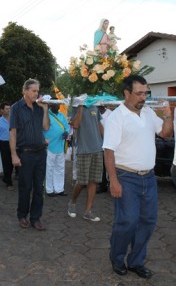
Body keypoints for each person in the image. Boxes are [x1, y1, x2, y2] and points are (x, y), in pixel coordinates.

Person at [103, 75, 173, 278]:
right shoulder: (117, 118)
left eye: (146, 93)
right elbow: (109, 151)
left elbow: (166, 134)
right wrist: (113, 180)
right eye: (139, 93)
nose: (144, 97)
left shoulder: (149, 113)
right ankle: (117, 257)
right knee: (127, 221)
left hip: (149, 178)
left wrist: (168, 115)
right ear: (127, 93)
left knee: (148, 221)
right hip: (126, 177)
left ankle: (135, 261)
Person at [10, 79, 50, 231]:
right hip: (25, 154)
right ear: (25, 91)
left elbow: (46, 127)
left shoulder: (40, 108)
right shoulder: (16, 108)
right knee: (26, 187)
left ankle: (36, 218)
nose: (36, 94)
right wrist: (14, 155)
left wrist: (45, 109)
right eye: (33, 91)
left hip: (41, 153)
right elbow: (12, 133)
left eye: (37, 91)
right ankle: (22, 215)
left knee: (39, 188)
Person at [67, 104, 103, 222]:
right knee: (82, 181)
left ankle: (88, 211)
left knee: (93, 181)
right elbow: (76, 125)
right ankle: (72, 202)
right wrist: (81, 107)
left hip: (97, 149)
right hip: (83, 150)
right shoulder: (75, 108)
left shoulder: (95, 107)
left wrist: (106, 140)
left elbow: (99, 124)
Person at [44, 98, 70, 197]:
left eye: (58, 104)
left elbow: (67, 127)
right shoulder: (47, 115)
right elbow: (43, 128)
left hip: (60, 145)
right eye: (55, 105)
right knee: (49, 168)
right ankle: (49, 190)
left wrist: (66, 133)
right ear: (50, 105)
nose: (57, 106)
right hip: (49, 146)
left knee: (60, 168)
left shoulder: (61, 115)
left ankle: (59, 189)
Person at [0, 103, 14, 190]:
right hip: (4, 143)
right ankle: (9, 182)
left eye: (9, 108)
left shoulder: (14, 119)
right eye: (6, 109)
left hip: (14, 142)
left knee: (13, 162)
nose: (8, 110)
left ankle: (6, 177)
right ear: (1, 110)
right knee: (6, 163)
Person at [96, 105, 112, 193]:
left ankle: (110, 183)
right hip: (99, 143)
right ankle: (102, 184)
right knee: (101, 166)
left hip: (109, 143)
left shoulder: (110, 114)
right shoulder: (95, 114)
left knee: (109, 164)